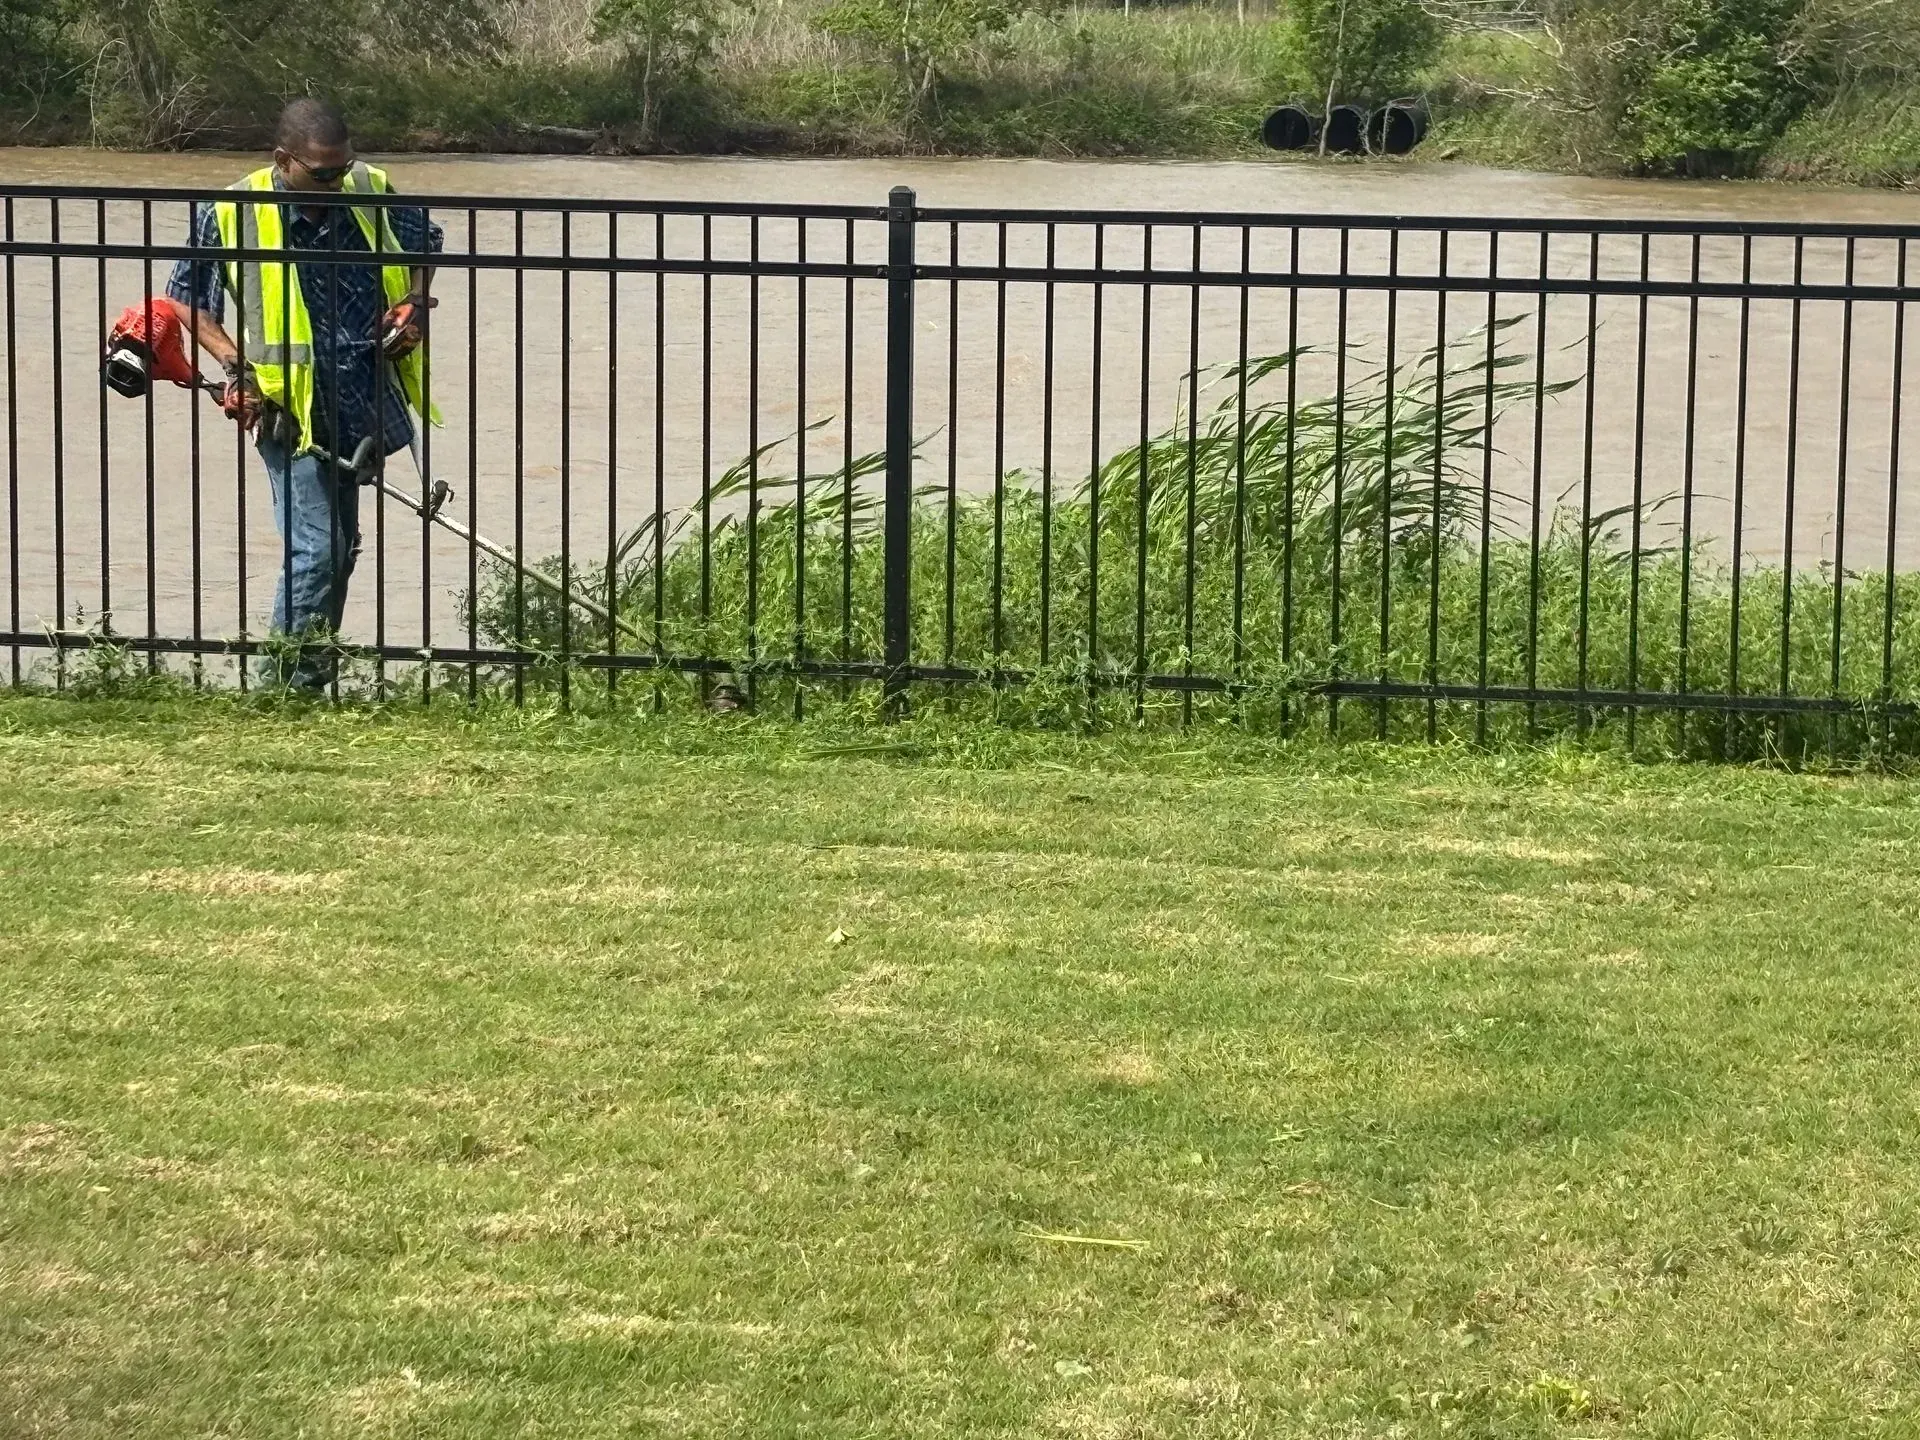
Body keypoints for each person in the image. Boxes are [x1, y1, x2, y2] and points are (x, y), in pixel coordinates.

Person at [168, 96, 442, 692]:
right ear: (282, 160)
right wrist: (234, 367)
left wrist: (414, 304)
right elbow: (187, 300)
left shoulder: (369, 188)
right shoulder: (231, 211)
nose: (336, 182)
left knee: (341, 548)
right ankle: (284, 683)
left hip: (363, 394)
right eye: (321, 174)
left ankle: (311, 673)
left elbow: (427, 242)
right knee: (317, 549)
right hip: (286, 407)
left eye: (343, 168)